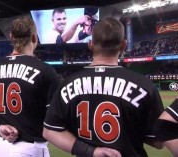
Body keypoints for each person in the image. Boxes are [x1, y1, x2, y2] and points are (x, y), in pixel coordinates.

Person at [43, 18, 164, 157]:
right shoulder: (144, 85)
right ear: (123, 45)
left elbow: (49, 131)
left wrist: (91, 151)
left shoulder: (67, 83)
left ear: (90, 44)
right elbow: (158, 142)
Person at [0, 16, 60, 157]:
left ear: (11, 37)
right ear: (34, 38)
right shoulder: (45, 70)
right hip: (30, 147)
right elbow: (56, 116)